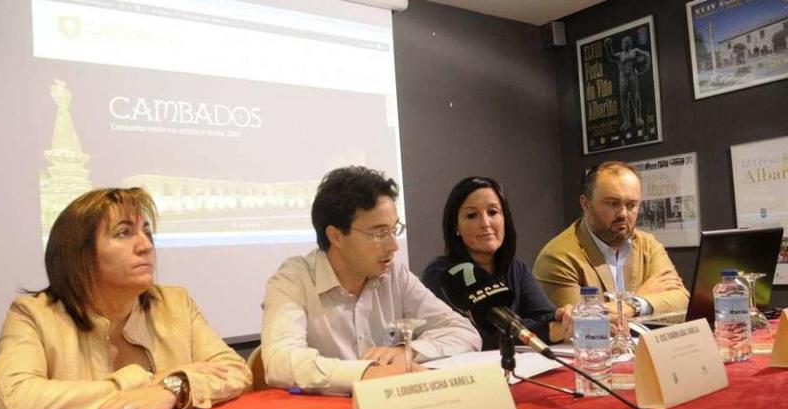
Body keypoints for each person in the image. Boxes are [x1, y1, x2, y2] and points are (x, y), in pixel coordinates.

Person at [0, 188, 251, 409]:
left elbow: (235, 372)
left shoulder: (175, 303)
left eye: (146, 232)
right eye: (124, 233)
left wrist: (172, 390)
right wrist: (144, 382)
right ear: (79, 255)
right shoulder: (33, 316)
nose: (146, 245)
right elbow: (15, 405)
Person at [261, 166, 481, 394]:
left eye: (394, 230)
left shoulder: (395, 275)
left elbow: (464, 332)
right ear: (335, 236)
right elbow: (280, 360)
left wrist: (409, 351)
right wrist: (366, 373)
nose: (393, 246)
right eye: (379, 234)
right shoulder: (294, 279)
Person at [422, 177, 572, 350]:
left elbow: (545, 316)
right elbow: (475, 336)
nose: (485, 223)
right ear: (456, 227)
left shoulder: (516, 268)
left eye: (493, 212)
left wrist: (563, 316)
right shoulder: (442, 274)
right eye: (472, 215)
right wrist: (548, 330)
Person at [533, 161, 689, 318]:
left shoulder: (648, 244)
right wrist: (636, 302)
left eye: (631, 205)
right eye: (613, 204)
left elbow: (681, 299)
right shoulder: (558, 257)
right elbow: (582, 322)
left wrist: (632, 305)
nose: (623, 214)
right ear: (585, 203)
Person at [604, 35, 651, 132]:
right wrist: (608, 46)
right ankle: (626, 121)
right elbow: (611, 57)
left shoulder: (635, 52)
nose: (624, 43)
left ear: (630, 43)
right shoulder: (620, 55)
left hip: (632, 76)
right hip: (623, 78)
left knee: (635, 97)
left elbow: (647, 55)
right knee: (624, 100)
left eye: (626, 42)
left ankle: (638, 117)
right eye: (623, 42)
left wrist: (643, 68)